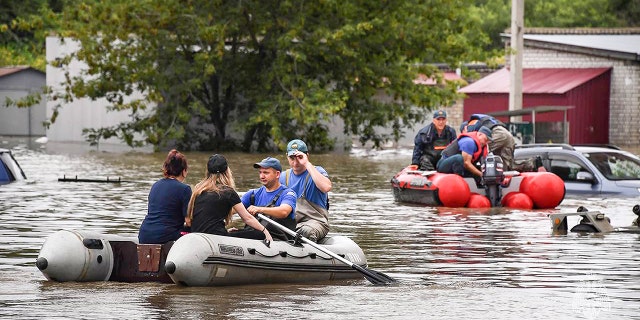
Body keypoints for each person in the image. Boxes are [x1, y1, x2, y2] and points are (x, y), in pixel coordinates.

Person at [187, 154, 273, 241]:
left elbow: (206, 221)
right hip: (216, 237)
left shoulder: (198, 189)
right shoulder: (227, 192)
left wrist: (227, 232)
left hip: (198, 235)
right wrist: (265, 231)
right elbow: (247, 218)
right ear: (227, 171)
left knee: (234, 231)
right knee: (259, 234)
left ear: (208, 171)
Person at [280, 139, 331, 242]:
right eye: (292, 158)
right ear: (287, 156)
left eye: (299, 157)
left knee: (306, 231)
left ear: (307, 155)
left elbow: (326, 187)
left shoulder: (317, 171)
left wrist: (307, 163)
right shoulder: (283, 177)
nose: (295, 162)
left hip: (315, 222)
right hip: (291, 224)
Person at [138, 149, 192, 244]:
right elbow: (189, 221)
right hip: (165, 236)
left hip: (144, 234)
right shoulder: (185, 189)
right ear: (184, 171)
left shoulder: (155, 185)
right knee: (196, 233)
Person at [241, 157, 297, 241]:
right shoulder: (253, 194)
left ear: (277, 174)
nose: (261, 176)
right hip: (256, 236)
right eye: (260, 172)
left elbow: (284, 212)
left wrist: (259, 209)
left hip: (279, 240)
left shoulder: (288, 193)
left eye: (266, 173)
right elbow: (234, 208)